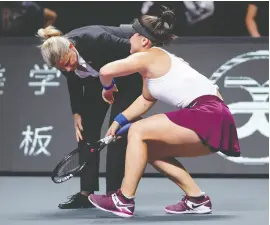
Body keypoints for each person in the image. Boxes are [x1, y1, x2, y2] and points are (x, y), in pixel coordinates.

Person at [88, 6, 241, 218]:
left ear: (144, 41)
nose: (129, 37)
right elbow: (146, 99)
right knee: (150, 148)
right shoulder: (154, 65)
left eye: (133, 34)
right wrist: (118, 121)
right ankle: (197, 199)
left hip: (207, 113)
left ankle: (123, 199)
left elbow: (105, 71)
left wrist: (107, 89)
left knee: (139, 131)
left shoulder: (149, 55)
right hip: (217, 118)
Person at [36, 25, 142, 209]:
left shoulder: (96, 39)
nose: (69, 69)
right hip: (98, 80)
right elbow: (74, 83)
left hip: (128, 78)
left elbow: (137, 51)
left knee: (115, 134)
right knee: (85, 133)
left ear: (71, 47)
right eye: (63, 68)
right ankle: (87, 193)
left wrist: (112, 84)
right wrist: (77, 113)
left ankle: (114, 194)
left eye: (69, 63)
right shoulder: (62, 60)